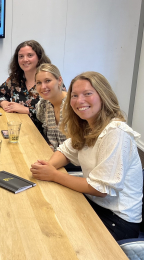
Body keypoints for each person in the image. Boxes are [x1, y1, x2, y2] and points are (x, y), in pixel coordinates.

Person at [30, 71, 142, 241]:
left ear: (103, 96)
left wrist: (53, 175)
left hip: (118, 220)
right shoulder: (88, 125)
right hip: (96, 204)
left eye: (87, 94)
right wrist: (49, 167)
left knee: (55, 236)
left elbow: (100, 189)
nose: (79, 101)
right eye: (74, 95)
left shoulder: (116, 132)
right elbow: (66, 151)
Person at [0, 40, 58, 132]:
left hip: (44, 136)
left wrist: (27, 110)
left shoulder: (50, 80)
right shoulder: (15, 79)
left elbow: (57, 114)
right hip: (20, 129)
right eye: (21, 56)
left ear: (39, 57)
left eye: (30, 55)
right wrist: (4, 103)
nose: (25, 59)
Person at [35, 63, 67, 150]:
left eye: (47, 81)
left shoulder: (72, 104)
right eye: (39, 83)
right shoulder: (42, 105)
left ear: (59, 80)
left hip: (75, 161)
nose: (43, 87)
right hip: (52, 155)